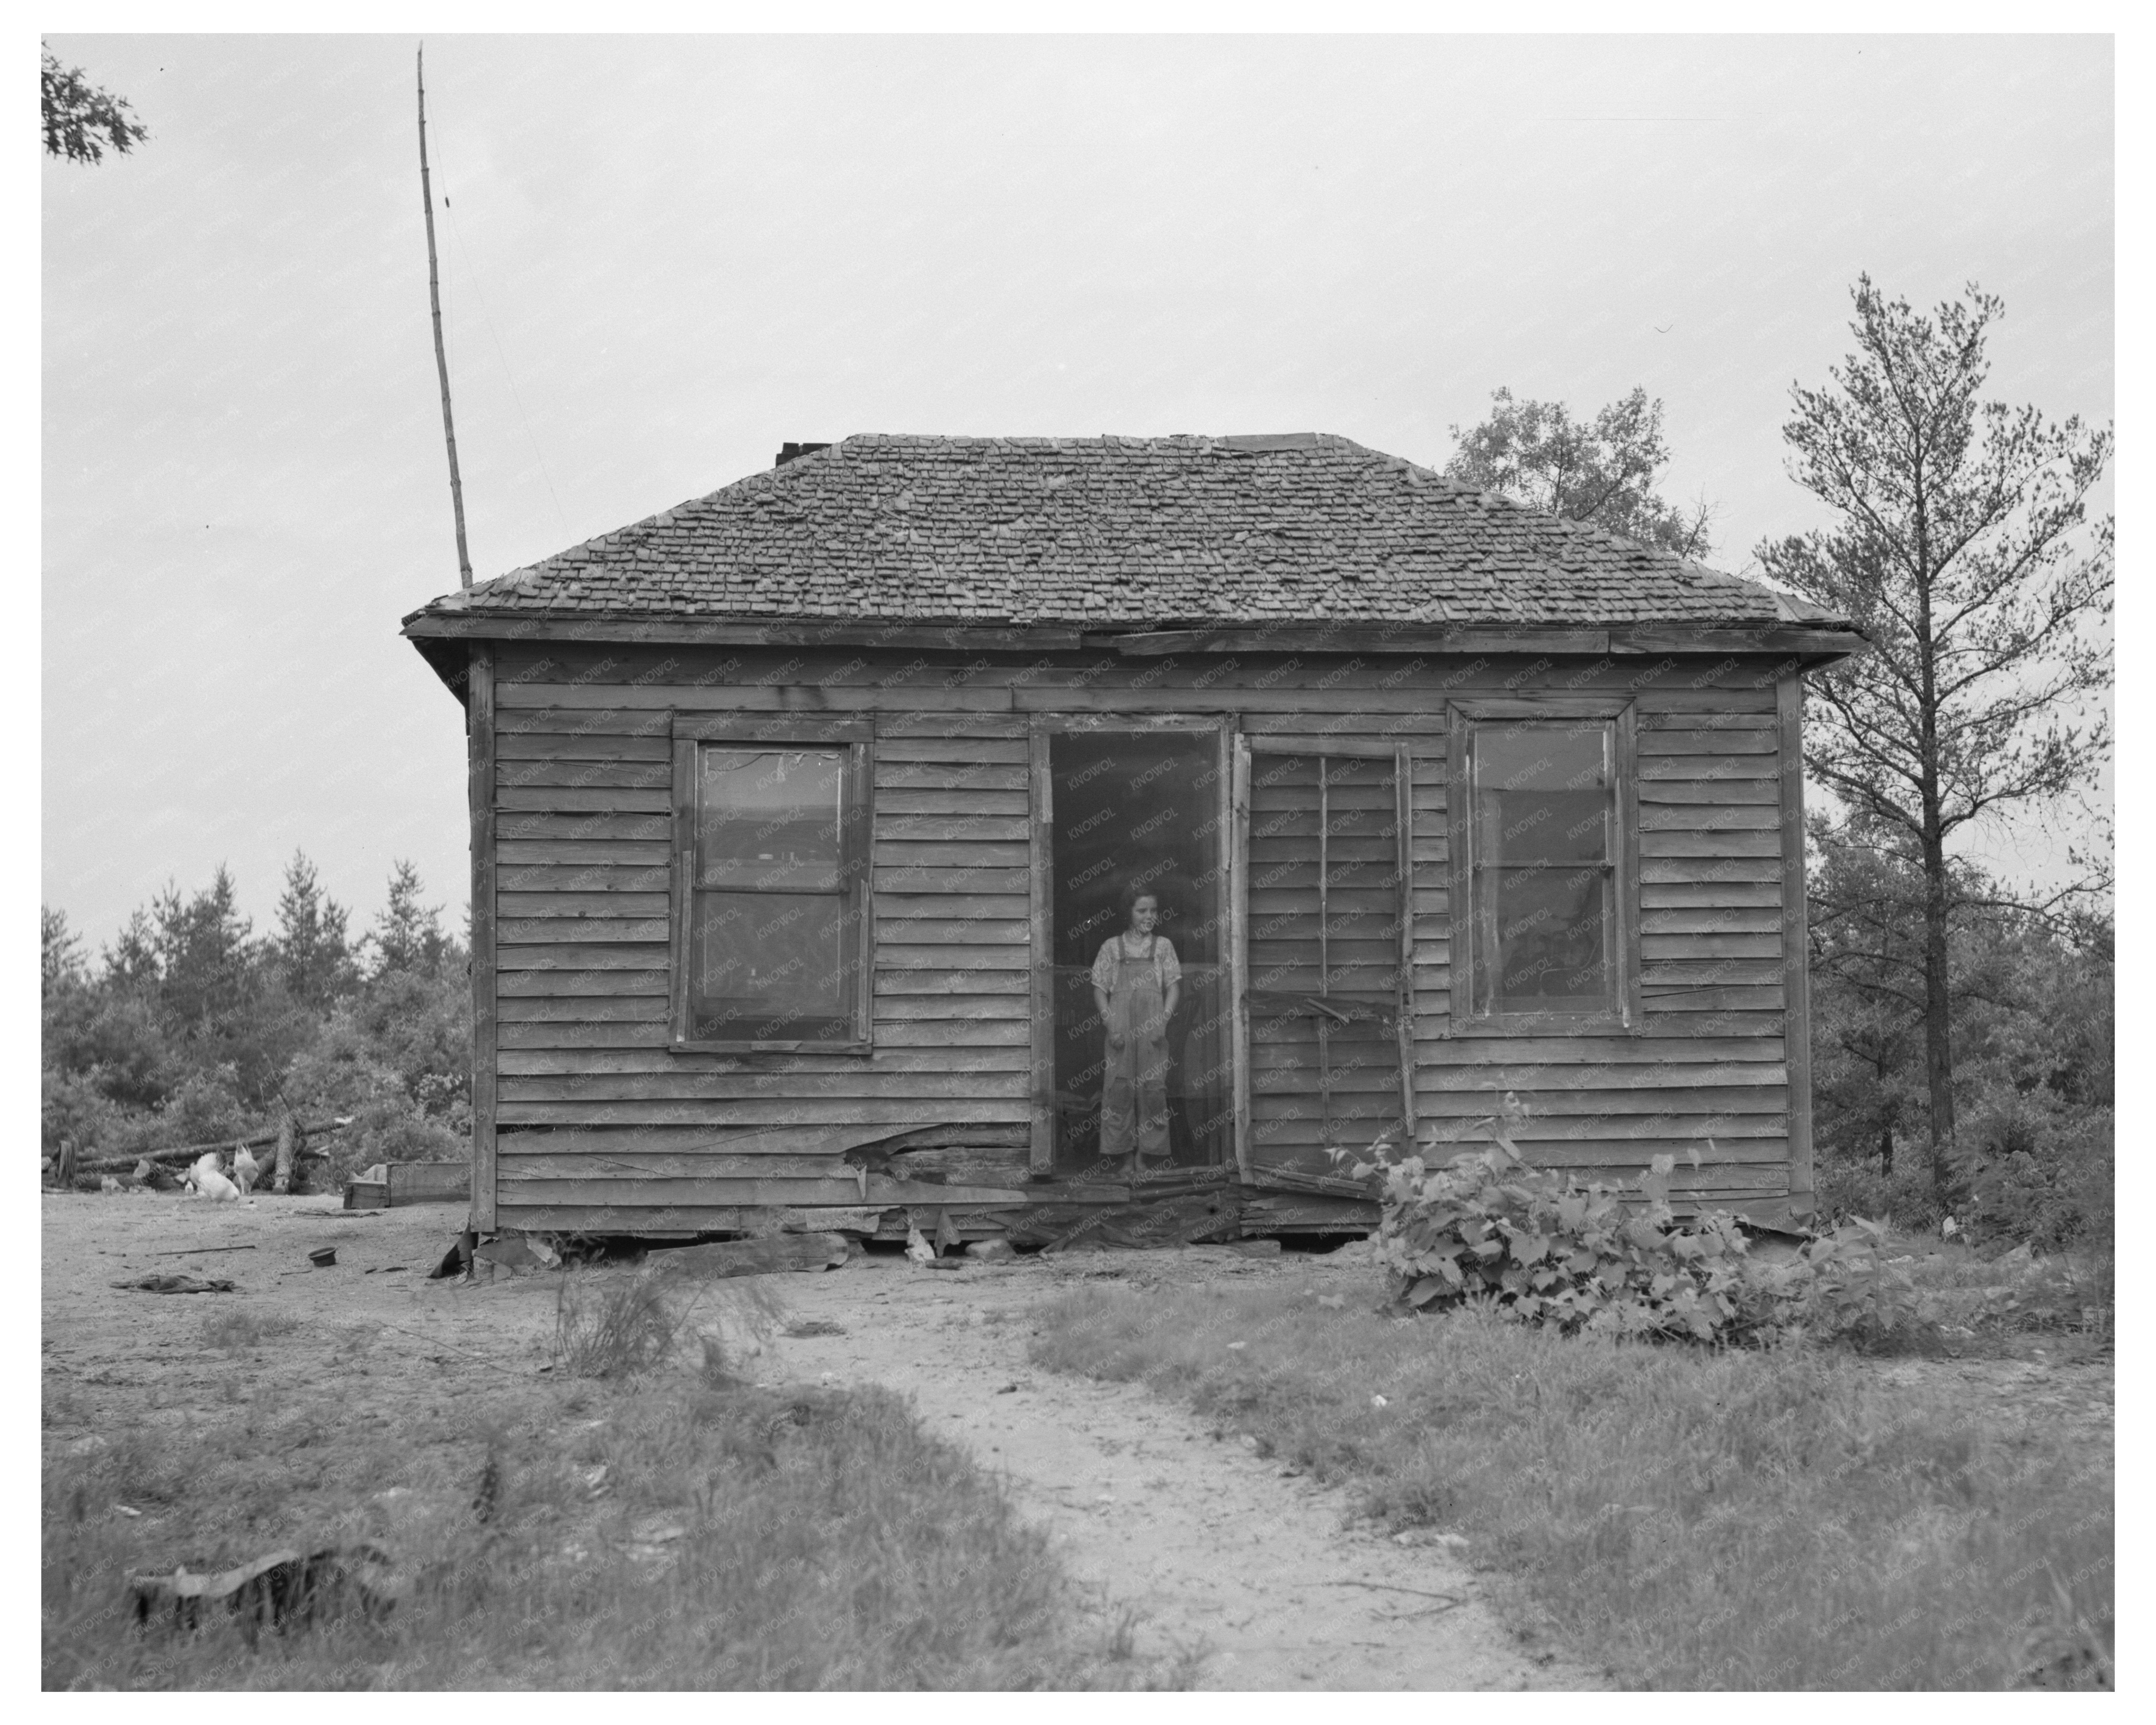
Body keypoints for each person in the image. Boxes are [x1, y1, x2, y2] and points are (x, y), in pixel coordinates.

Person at [1091, 885, 1182, 1179]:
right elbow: (1100, 990)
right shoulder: (1111, 947)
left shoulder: (1163, 946)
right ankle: (1125, 1157)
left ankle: (1145, 1155)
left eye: (1153, 910)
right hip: (1121, 1027)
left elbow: (1173, 988)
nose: (1149, 916)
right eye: (1142, 910)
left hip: (1152, 1027)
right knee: (1120, 1088)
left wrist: (1163, 1022)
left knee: (1153, 1088)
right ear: (1128, 912)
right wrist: (1110, 1024)